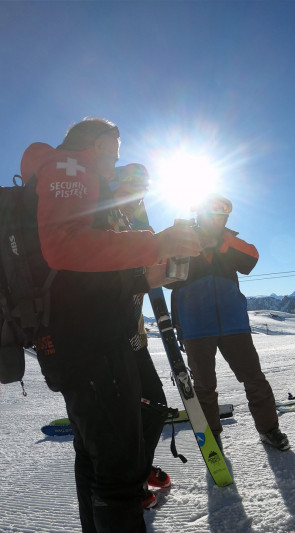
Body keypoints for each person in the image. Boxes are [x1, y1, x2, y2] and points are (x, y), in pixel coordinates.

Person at [27, 118, 202, 532]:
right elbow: (64, 246)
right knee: (118, 476)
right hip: (93, 346)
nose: (117, 161)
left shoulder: (72, 178)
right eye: (116, 151)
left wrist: (151, 274)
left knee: (98, 461)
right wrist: (158, 242)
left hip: (89, 341)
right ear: (101, 144)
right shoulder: (68, 168)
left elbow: (87, 275)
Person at [166, 194, 289, 451]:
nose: (218, 220)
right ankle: (211, 436)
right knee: (204, 386)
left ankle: (269, 429)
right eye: (212, 215)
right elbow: (168, 279)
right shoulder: (184, 239)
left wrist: (222, 242)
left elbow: (251, 258)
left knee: (254, 378)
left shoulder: (229, 241)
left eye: (222, 216)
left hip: (234, 323)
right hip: (196, 326)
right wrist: (183, 245)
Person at [110, 163, 172, 508]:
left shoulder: (133, 223)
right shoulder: (106, 219)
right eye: (130, 183)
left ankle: (139, 468)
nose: (136, 191)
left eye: (142, 186)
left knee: (154, 406)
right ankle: (130, 482)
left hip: (133, 338)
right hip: (108, 340)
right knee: (131, 413)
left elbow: (143, 276)